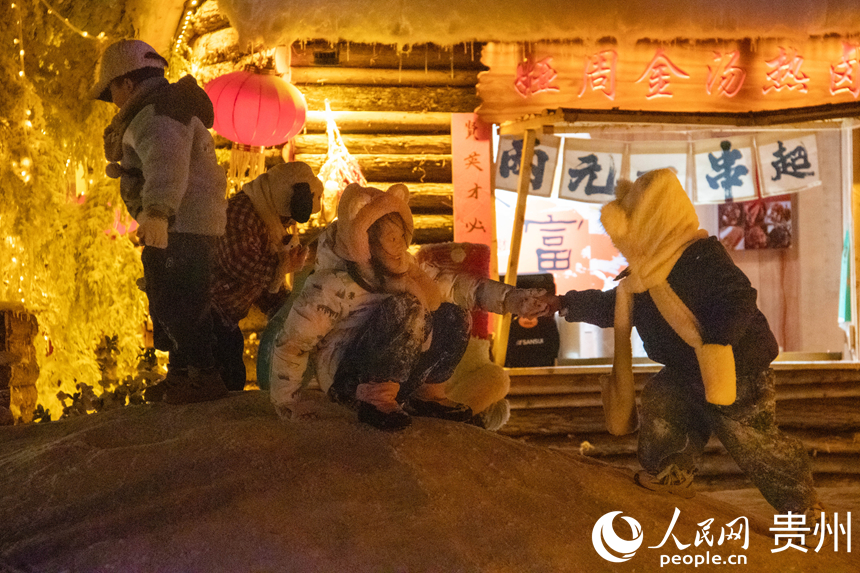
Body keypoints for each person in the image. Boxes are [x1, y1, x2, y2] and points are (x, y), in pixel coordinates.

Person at [551, 168, 821, 520]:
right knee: (664, 400)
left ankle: (803, 506)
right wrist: (564, 303)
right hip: (685, 369)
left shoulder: (702, 257)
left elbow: (739, 299)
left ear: (653, 220)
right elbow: (610, 306)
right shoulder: (643, 277)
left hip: (738, 369)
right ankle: (671, 469)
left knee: (752, 440)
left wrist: (718, 344)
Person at [268, 183, 548, 431]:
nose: (400, 246)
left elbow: (457, 287)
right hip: (349, 381)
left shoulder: (410, 273)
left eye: (401, 236)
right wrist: (288, 401)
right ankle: (375, 398)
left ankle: (429, 394)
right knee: (407, 309)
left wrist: (512, 299)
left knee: (453, 314)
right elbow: (293, 343)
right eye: (391, 238)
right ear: (363, 238)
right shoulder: (332, 285)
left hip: (402, 377)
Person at [90, 39, 228, 404]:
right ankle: (182, 374)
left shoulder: (157, 114)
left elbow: (166, 162)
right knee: (174, 296)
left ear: (127, 83)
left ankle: (204, 374)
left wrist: (156, 212)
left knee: (178, 300)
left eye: (112, 90)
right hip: (185, 222)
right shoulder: (160, 108)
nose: (113, 100)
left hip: (180, 223)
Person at [210, 162, 324, 391]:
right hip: (208, 312)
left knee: (232, 374)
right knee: (224, 375)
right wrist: (282, 267)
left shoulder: (268, 218)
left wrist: (285, 307)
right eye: (289, 217)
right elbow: (237, 261)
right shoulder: (241, 213)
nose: (290, 223)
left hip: (225, 316)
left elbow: (262, 283)